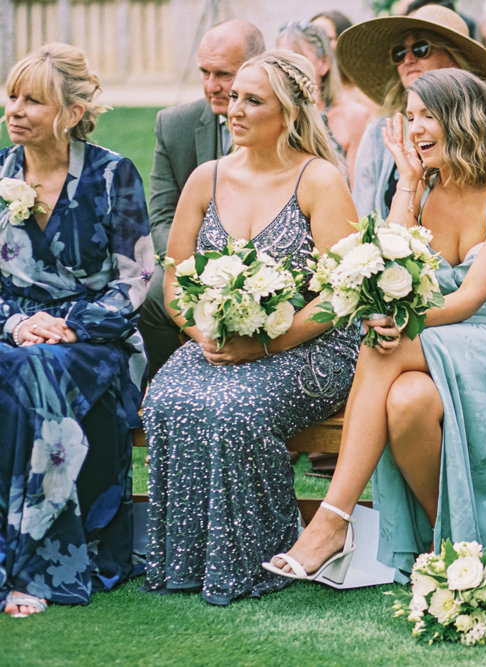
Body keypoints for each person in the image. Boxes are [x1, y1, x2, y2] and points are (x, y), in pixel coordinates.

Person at [263, 68, 486, 581]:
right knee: (407, 401)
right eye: (410, 117)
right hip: (435, 339)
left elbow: (467, 299)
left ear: (464, 119)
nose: (415, 128)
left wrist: (400, 324)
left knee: (380, 346)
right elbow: (385, 267)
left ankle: (332, 520)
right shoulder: (422, 188)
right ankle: (457, 547)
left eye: (428, 116)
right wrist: (408, 186)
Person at [142, 51, 360, 605]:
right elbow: (173, 280)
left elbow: (341, 293)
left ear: (287, 115)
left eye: (252, 100)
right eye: (234, 96)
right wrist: (205, 335)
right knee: (167, 399)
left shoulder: (319, 180)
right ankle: (186, 560)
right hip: (219, 340)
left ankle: (257, 557)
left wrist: (265, 342)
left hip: (311, 342)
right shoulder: (205, 178)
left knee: (235, 408)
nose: (234, 109)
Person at [0, 43, 153, 617]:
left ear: (69, 111)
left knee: (36, 371)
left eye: (33, 100)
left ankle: (34, 566)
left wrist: (66, 326)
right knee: (22, 364)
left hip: (96, 342)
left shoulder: (114, 175)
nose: (15, 110)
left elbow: (135, 280)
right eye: (12, 96)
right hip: (15, 334)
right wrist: (17, 323)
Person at [140, 20, 265, 377]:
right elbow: (161, 215)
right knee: (152, 298)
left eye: (223, 74)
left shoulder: (289, 122)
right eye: (204, 73)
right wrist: (202, 271)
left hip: (269, 268)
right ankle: (168, 380)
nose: (212, 86)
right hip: (196, 263)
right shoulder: (174, 124)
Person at [336, 4, 486, 222]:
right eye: (399, 53)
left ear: (454, 59)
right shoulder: (379, 130)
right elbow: (364, 213)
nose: (408, 60)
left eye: (421, 49)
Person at [276, 21, 370, 179]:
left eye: (299, 60)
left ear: (324, 63)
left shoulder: (355, 117)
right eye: (280, 63)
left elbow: (360, 191)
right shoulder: (274, 118)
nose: (288, 71)